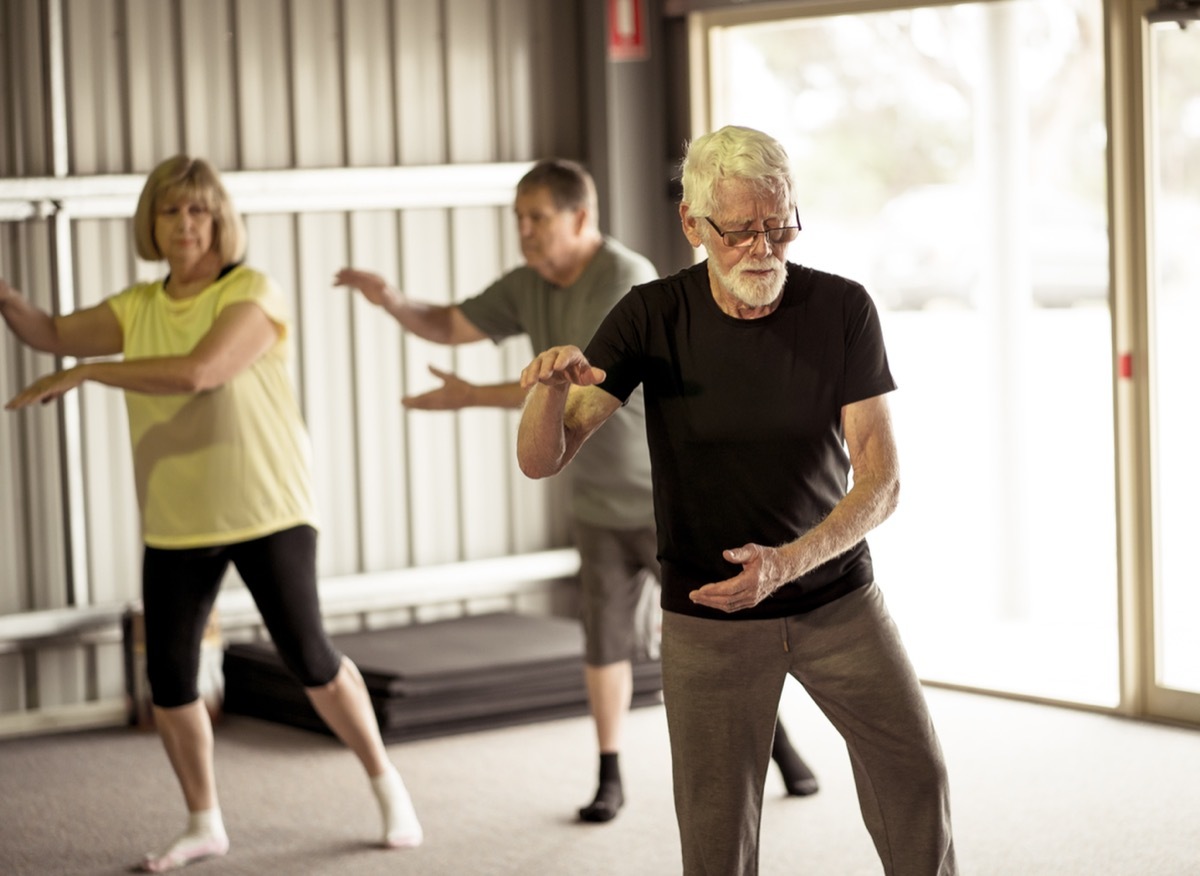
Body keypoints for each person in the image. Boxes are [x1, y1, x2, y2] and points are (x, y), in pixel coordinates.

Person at [516, 127, 957, 874]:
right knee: (718, 836)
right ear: (693, 226)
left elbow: (881, 481)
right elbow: (543, 459)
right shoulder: (651, 315)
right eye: (741, 229)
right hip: (709, 620)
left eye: (778, 225)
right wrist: (547, 389)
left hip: (837, 602)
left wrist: (787, 564)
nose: (764, 247)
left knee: (917, 774)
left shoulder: (842, 309)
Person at [334, 158, 818, 824]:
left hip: (666, 497)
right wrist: (392, 299)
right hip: (595, 502)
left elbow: (582, 385)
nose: (525, 232)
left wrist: (473, 396)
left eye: (538, 218)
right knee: (604, 642)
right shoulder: (529, 284)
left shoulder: (623, 279)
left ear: (580, 217)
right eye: (519, 220)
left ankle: (781, 747)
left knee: (718, 637)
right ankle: (608, 775)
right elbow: (449, 324)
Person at [0, 156, 423, 872]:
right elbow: (45, 332)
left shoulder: (253, 291)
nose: (186, 224)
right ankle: (203, 822)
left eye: (199, 211)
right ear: (153, 224)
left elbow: (202, 372)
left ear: (220, 221)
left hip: (267, 506)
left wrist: (92, 371)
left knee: (310, 659)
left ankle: (389, 788)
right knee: (168, 678)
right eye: (171, 211)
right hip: (177, 517)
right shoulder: (136, 306)